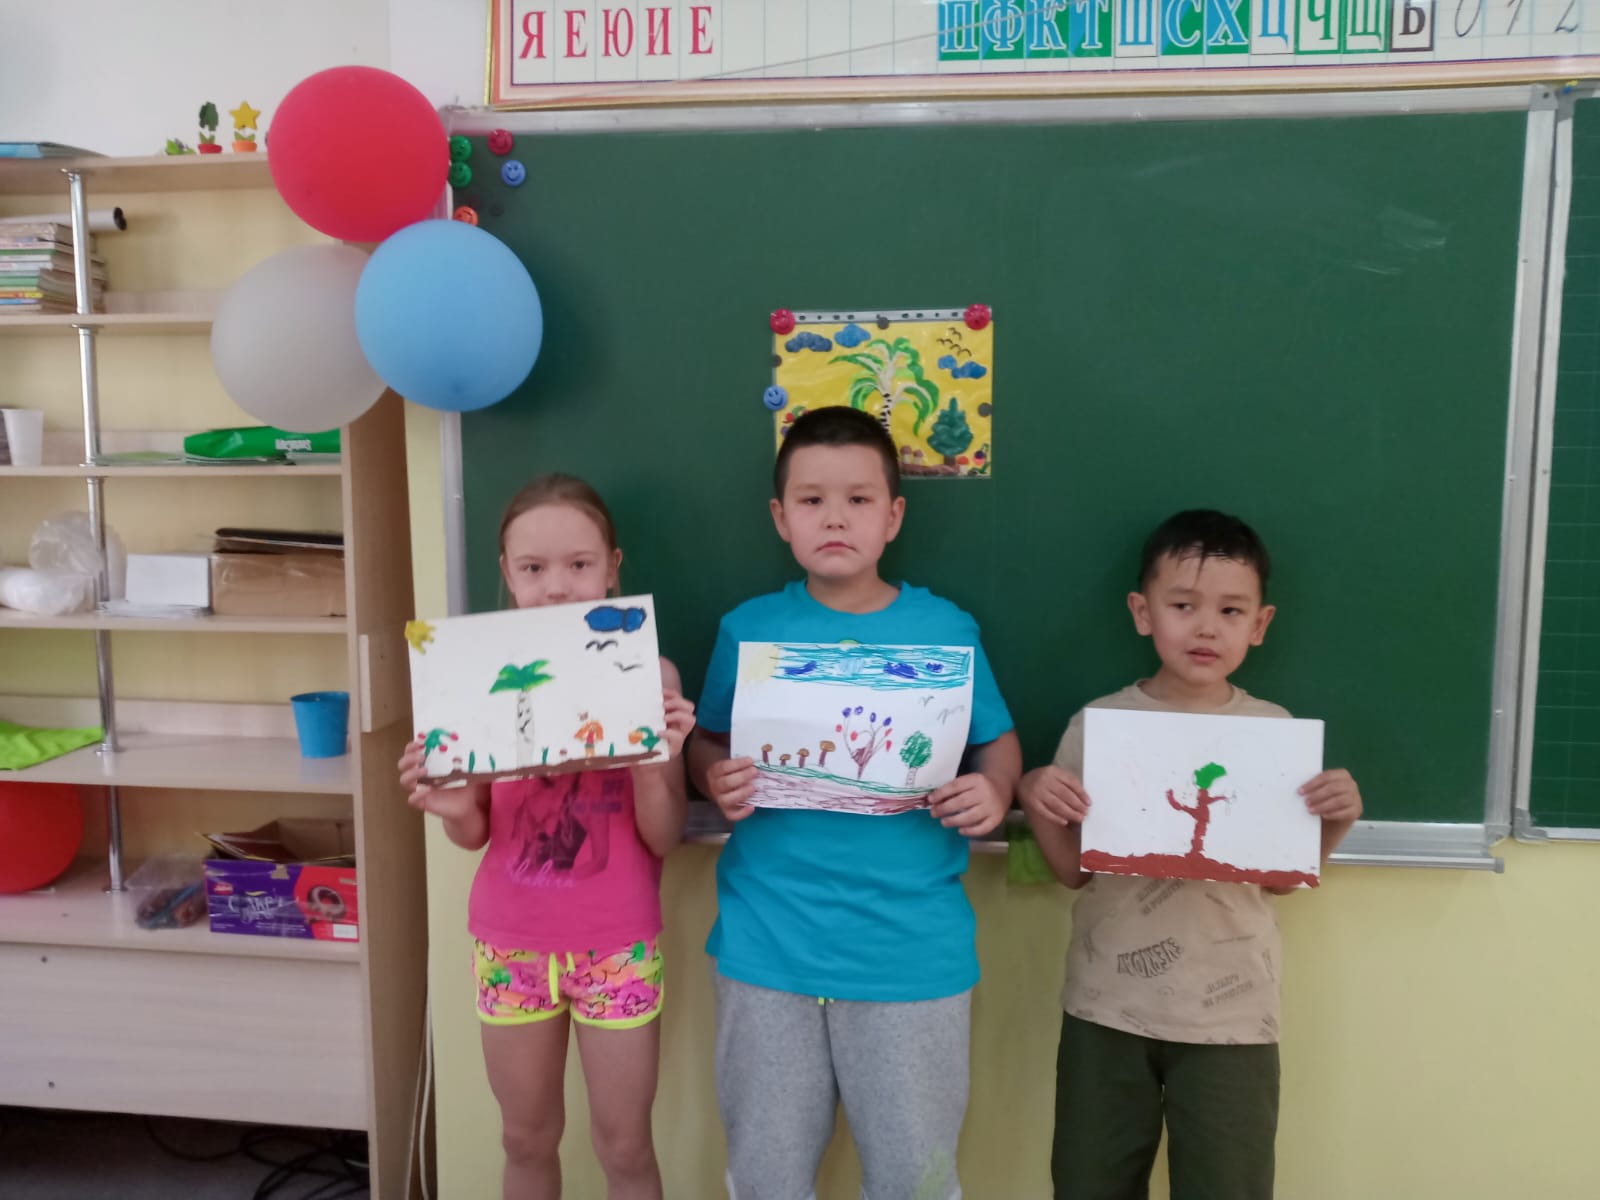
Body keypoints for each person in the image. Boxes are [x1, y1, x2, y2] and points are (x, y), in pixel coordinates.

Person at [687, 406, 1022, 1200]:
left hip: (910, 951)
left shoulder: (944, 629)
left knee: (912, 1180)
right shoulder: (749, 630)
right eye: (811, 500)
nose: (834, 518)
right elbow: (706, 740)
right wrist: (710, 775)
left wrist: (996, 789)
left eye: (859, 499)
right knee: (766, 1177)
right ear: (780, 517)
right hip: (769, 944)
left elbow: (997, 742)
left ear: (894, 516)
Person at [1018, 509, 1364, 1200]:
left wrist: (1335, 822)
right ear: (1142, 612)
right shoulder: (1100, 725)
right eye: (1183, 606)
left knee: (1228, 1183)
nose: (1206, 627)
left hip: (1234, 1015)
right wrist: (1033, 794)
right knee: (1089, 1181)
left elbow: (1283, 879)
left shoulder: (1274, 734)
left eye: (1230, 611)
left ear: (1259, 624)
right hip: (1106, 1005)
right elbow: (1074, 872)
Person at [398, 474, 695, 1200]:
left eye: (579, 564)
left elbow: (664, 837)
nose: (557, 586)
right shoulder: (475, 678)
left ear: (612, 567)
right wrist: (451, 807)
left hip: (617, 945)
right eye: (533, 568)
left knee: (626, 1147)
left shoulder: (650, 675)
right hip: (511, 944)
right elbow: (474, 833)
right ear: (506, 572)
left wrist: (656, 763)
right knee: (524, 1139)